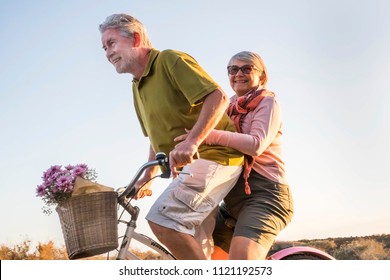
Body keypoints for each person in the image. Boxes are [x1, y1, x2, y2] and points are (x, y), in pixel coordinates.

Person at [99, 14, 243, 260]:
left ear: (135, 38)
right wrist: (148, 177)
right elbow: (156, 137)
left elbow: (217, 96)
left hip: (216, 157)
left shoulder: (169, 60)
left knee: (164, 220)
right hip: (191, 168)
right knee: (198, 245)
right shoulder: (137, 85)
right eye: (104, 48)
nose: (107, 53)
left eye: (111, 43)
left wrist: (192, 141)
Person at [176, 51, 294, 259]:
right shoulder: (226, 106)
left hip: (265, 194)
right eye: (233, 69)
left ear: (262, 76)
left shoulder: (267, 103)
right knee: (202, 253)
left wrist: (206, 135)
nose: (238, 74)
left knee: (242, 260)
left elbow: (256, 144)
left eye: (246, 68)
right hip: (231, 200)